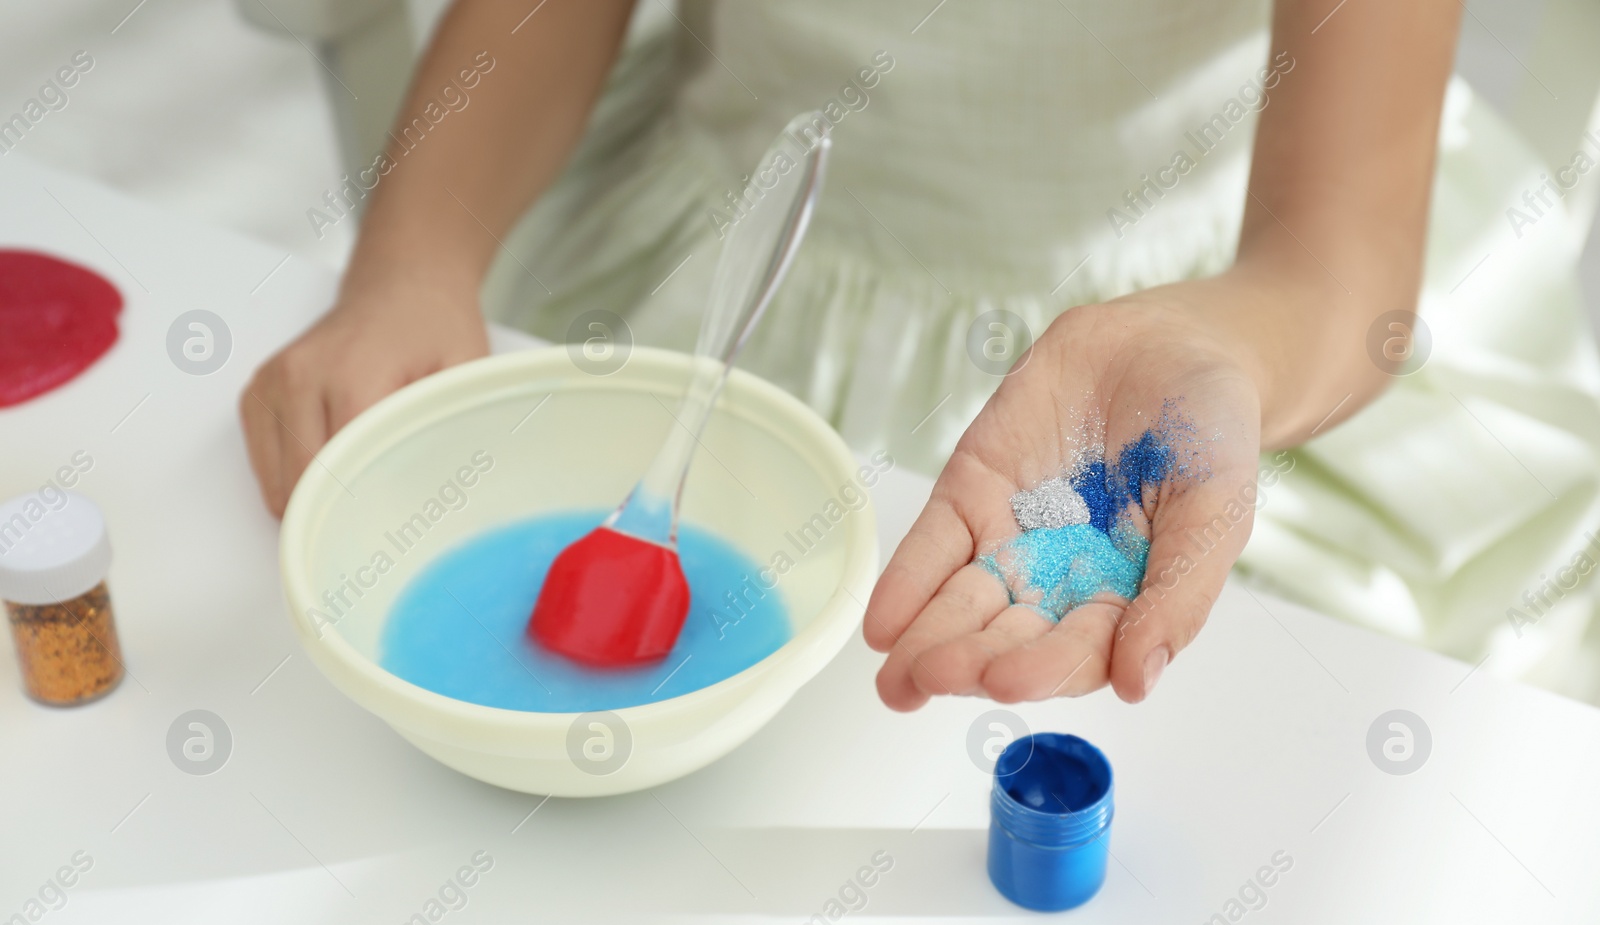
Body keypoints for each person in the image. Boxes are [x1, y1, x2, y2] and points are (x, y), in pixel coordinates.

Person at [241, 0, 1600, 709]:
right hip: (709, 254)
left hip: (1205, 308)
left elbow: (1335, 265)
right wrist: (412, 257)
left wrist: (1214, 348)